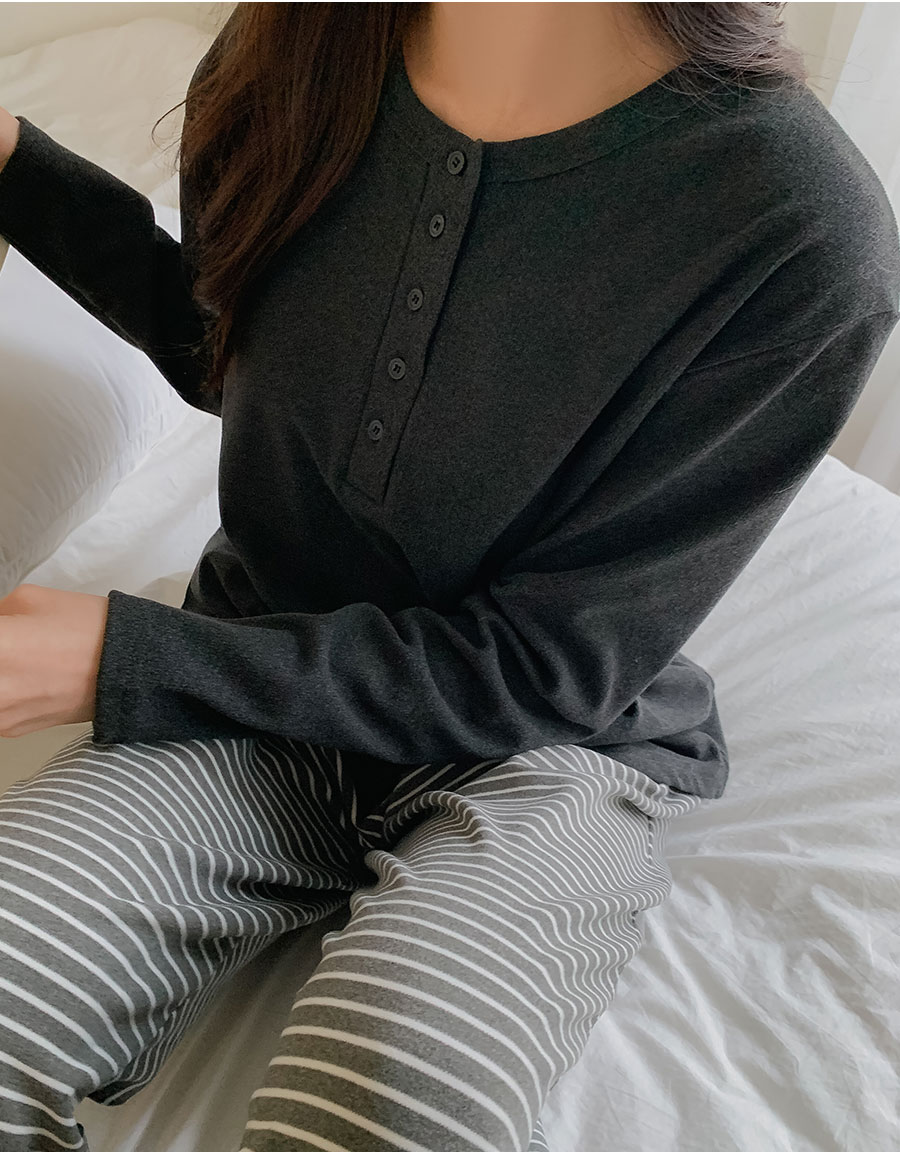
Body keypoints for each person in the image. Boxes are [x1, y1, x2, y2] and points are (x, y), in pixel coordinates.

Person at [0, 3, 897, 1150]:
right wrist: (17, 164)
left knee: (394, 1096)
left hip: (548, 747)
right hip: (256, 675)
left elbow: (548, 666)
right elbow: (234, 343)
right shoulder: (291, 48)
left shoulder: (802, 232)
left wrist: (128, 656)